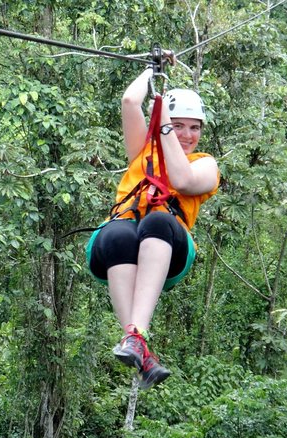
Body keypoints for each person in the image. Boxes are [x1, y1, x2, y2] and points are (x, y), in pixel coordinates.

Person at [86, 68, 219, 389]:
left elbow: (182, 180)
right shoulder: (142, 153)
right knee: (118, 230)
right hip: (117, 245)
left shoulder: (206, 164)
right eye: (179, 126)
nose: (187, 135)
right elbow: (130, 101)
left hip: (170, 249)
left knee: (158, 218)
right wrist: (151, 71)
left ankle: (137, 335)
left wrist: (163, 124)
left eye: (194, 128)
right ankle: (135, 341)